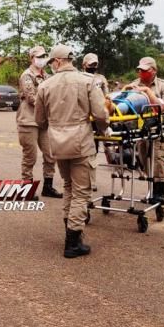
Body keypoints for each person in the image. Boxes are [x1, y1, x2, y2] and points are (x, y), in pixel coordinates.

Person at [36, 44, 109, 258]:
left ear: (57, 61)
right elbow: (101, 114)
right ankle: (73, 241)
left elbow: (40, 120)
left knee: (68, 187)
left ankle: (70, 231)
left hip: (58, 144)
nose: (51, 67)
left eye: (51, 63)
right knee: (81, 192)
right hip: (81, 144)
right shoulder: (87, 82)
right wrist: (103, 130)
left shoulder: (45, 86)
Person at [122, 57, 164, 206]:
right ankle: (151, 188)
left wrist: (147, 92)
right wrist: (124, 92)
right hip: (141, 129)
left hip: (158, 128)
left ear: (154, 71)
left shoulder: (163, 86)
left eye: (145, 70)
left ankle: (160, 194)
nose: (142, 73)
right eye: (140, 70)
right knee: (144, 159)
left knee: (159, 159)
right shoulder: (134, 85)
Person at [16, 46, 63, 199]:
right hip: (28, 121)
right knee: (30, 156)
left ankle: (48, 187)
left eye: (44, 56)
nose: (42, 59)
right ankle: (27, 189)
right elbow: (32, 98)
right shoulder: (27, 75)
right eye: (39, 56)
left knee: (50, 154)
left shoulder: (47, 76)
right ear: (31, 58)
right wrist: (53, 105)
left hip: (44, 121)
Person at [82, 53, 110, 192]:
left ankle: (92, 181)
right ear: (84, 65)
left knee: (101, 150)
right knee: (88, 153)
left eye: (95, 64)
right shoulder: (80, 78)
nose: (93, 67)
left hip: (99, 118)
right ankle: (90, 182)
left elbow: (107, 98)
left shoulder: (101, 79)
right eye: (90, 64)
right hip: (85, 120)